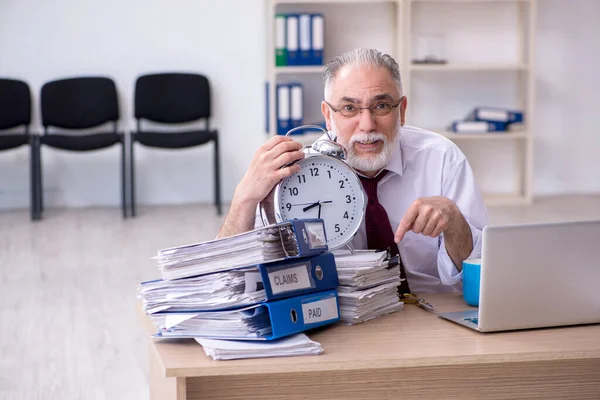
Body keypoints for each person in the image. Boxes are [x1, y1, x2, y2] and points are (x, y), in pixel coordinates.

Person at [218, 48, 489, 293]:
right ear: (328, 115)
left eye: (381, 106)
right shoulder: (296, 174)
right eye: (349, 108)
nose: (367, 125)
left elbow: (484, 273)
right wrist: (243, 199)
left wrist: (454, 223)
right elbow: (226, 280)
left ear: (402, 110)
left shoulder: (442, 159)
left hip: (432, 313)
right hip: (340, 320)